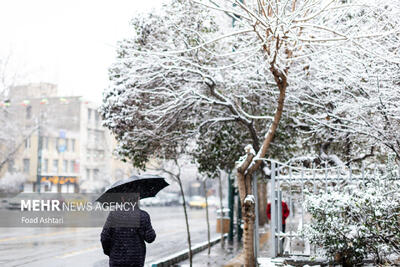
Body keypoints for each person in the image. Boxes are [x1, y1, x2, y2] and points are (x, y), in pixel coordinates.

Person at [101, 201, 156, 267]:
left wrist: (110, 252)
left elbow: (104, 237)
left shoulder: (114, 214)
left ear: (123, 199)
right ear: (138, 198)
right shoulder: (142, 215)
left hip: (117, 260)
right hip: (136, 260)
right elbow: (150, 238)